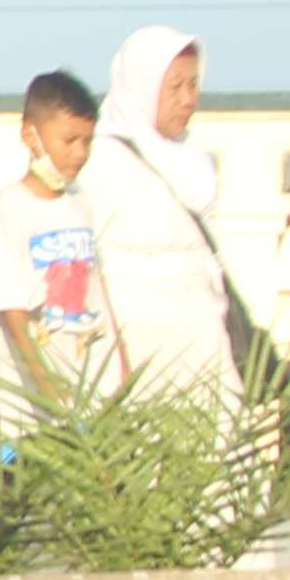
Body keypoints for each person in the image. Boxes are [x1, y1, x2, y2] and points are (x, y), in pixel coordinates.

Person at [84, 27, 247, 391]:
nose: (188, 99)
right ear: (141, 86)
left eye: (193, 85)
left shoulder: (193, 158)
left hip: (202, 340)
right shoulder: (103, 160)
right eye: (174, 88)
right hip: (138, 346)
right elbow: (88, 264)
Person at [0, 71, 110, 415]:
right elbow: (10, 306)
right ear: (30, 134)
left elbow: (98, 292)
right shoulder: (11, 205)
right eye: (69, 140)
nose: (79, 153)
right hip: (26, 405)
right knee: (19, 454)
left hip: (81, 395)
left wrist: (116, 367)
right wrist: (44, 381)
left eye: (87, 141)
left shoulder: (80, 203)